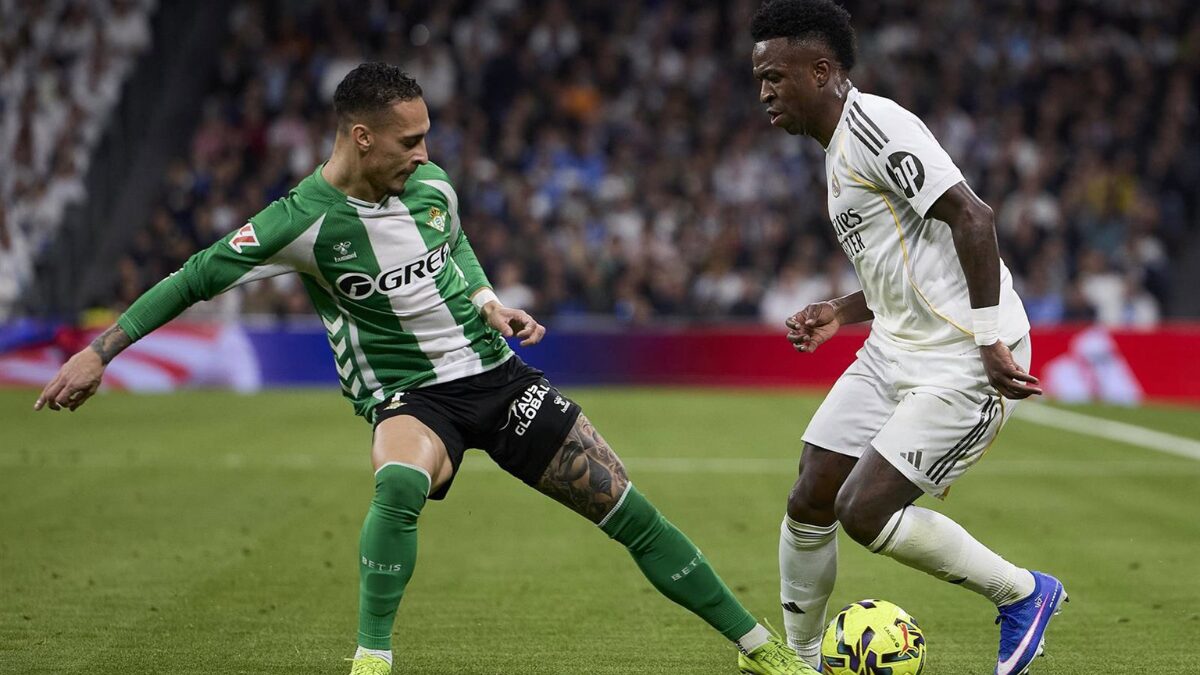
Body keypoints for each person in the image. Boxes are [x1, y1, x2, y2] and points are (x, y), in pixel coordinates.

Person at [34, 63, 816, 675]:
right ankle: (372, 657)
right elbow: (194, 277)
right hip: (409, 396)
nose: (425, 153)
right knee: (401, 481)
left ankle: (758, 648)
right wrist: (100, 351)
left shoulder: (431, 185)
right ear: (360, 137)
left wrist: (490, 301)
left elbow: (455, 247)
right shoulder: (298, 223)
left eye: (426, 137)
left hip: (496, 376)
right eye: (409, 140)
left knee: (628, 508)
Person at [748, 2, 1066, 674]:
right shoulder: (836, 152)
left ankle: (1023, 593)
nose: (765, 92)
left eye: (776, 76)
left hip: (963, 357)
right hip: (894, 346)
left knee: (862, 510)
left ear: (821, 71)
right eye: (760, 80)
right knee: (811, 495)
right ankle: (800, 660)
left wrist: (988, 340)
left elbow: (973, 218)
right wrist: (841, 310)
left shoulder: (876, 127)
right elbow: (908, 265)